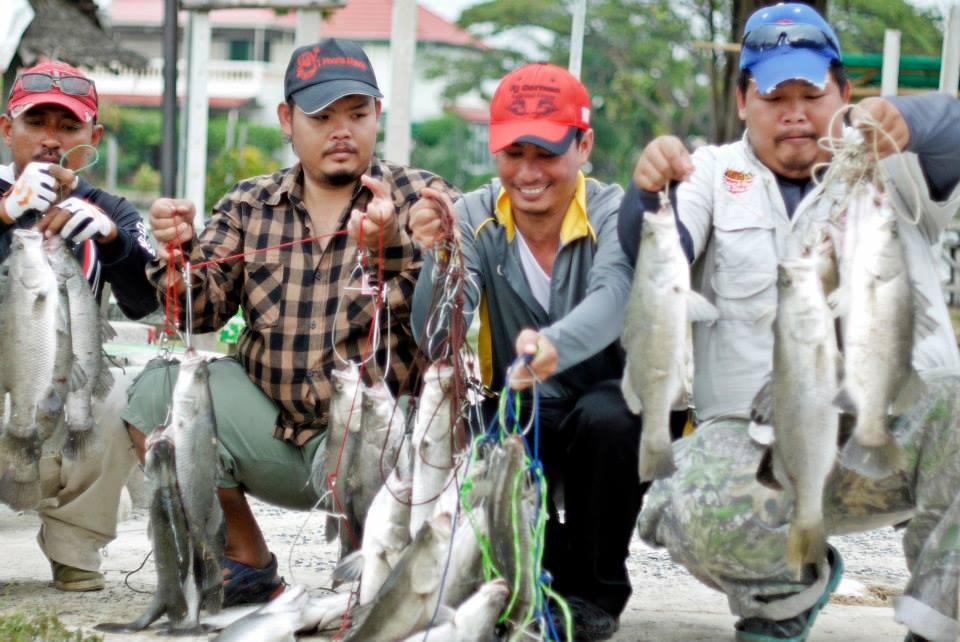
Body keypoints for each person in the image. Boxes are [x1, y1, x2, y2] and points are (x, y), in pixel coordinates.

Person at [618, 4, 960, 642]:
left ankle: (939, 622)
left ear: (845, 93)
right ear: (743, 98)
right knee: (684, 500)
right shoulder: (709, 175)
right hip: (770, 446)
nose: (796, 113)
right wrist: (647, 197)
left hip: (896, 437)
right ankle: (783, 598)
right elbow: (654, 254)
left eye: (813, 93)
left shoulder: (899, 167)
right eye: (776, 96)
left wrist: (908, 117)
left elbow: (957, 127)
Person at [120, 38, 459, 607]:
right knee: (157, 391)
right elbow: (195, 313)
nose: (341, 131)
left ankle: (368, 559)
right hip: (276, 435)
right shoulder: (248, 203)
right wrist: (175, 253)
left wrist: (393, 247)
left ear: (378, 116)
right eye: (321, 116)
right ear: (286, 119)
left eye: (357, 114)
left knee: (390, 436)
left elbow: (454, 310)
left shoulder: (423, 196)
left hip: (382, 444)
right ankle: (245, 557)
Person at [410, 62, 646, 642]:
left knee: (608, 419)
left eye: (546, 152)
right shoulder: (470, 213)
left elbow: (614, 299)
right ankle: (538, 576)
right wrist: (438, 257)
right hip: (524, 398)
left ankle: (595, 594)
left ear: (584, 145)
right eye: (513, 153)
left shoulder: (617, 211)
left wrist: (552, 345)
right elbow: (438, 336)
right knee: (499, 432)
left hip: (611, 402)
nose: (528, 172)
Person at [0, 60, 157, 592]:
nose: (51, 139)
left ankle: (74, 546)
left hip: (65, 386)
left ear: (93, 136)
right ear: (6, 129)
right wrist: (5, 216)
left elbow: (145, 301)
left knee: (124, 397)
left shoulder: (110, 209)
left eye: (68, 126)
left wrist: (115, 241)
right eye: (35, 123)